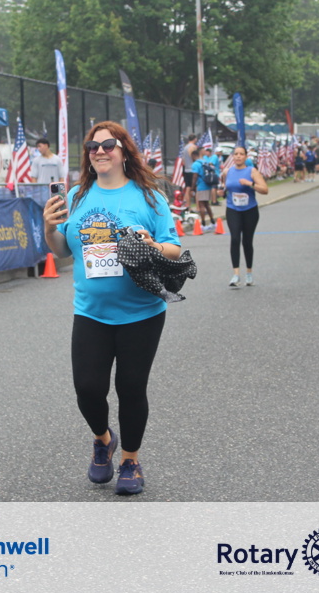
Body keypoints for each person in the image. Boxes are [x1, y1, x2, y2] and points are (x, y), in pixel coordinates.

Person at [42, 121, 180, 496]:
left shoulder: (149, 197)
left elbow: (174, 248)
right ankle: (103, 439)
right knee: (87, 388)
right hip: (91, 311)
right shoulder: (76, 196)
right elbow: (61, 251)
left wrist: (152, 245)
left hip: (142, 312)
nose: (99, 151)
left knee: (131, 388)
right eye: (92, 146)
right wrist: (49, 228)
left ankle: (131, 461)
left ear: (123, 151)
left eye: (108, 145)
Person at [224, 145, 268, 287]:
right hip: (233, 209)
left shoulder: (251, 171)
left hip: (250, 210)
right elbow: (226, 187)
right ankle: (236, 274)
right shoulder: (227, 171)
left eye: (241, 154)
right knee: (235, 239)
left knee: (247, 241)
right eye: (236, 154)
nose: (238, 156)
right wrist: (221, 192)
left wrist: (249, 183)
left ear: (246, 157)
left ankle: (249, 272)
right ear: (233, 156)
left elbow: (265, 190)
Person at [190, 148, 217, 228]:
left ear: (194, 156)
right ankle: (212, 222)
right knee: (207, 204)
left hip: (201, 185)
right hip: (207, 185)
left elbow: (195, 176)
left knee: (201, 205)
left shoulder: (195, 164)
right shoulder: (204, 162)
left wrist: (192, 188)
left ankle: (203, 224)